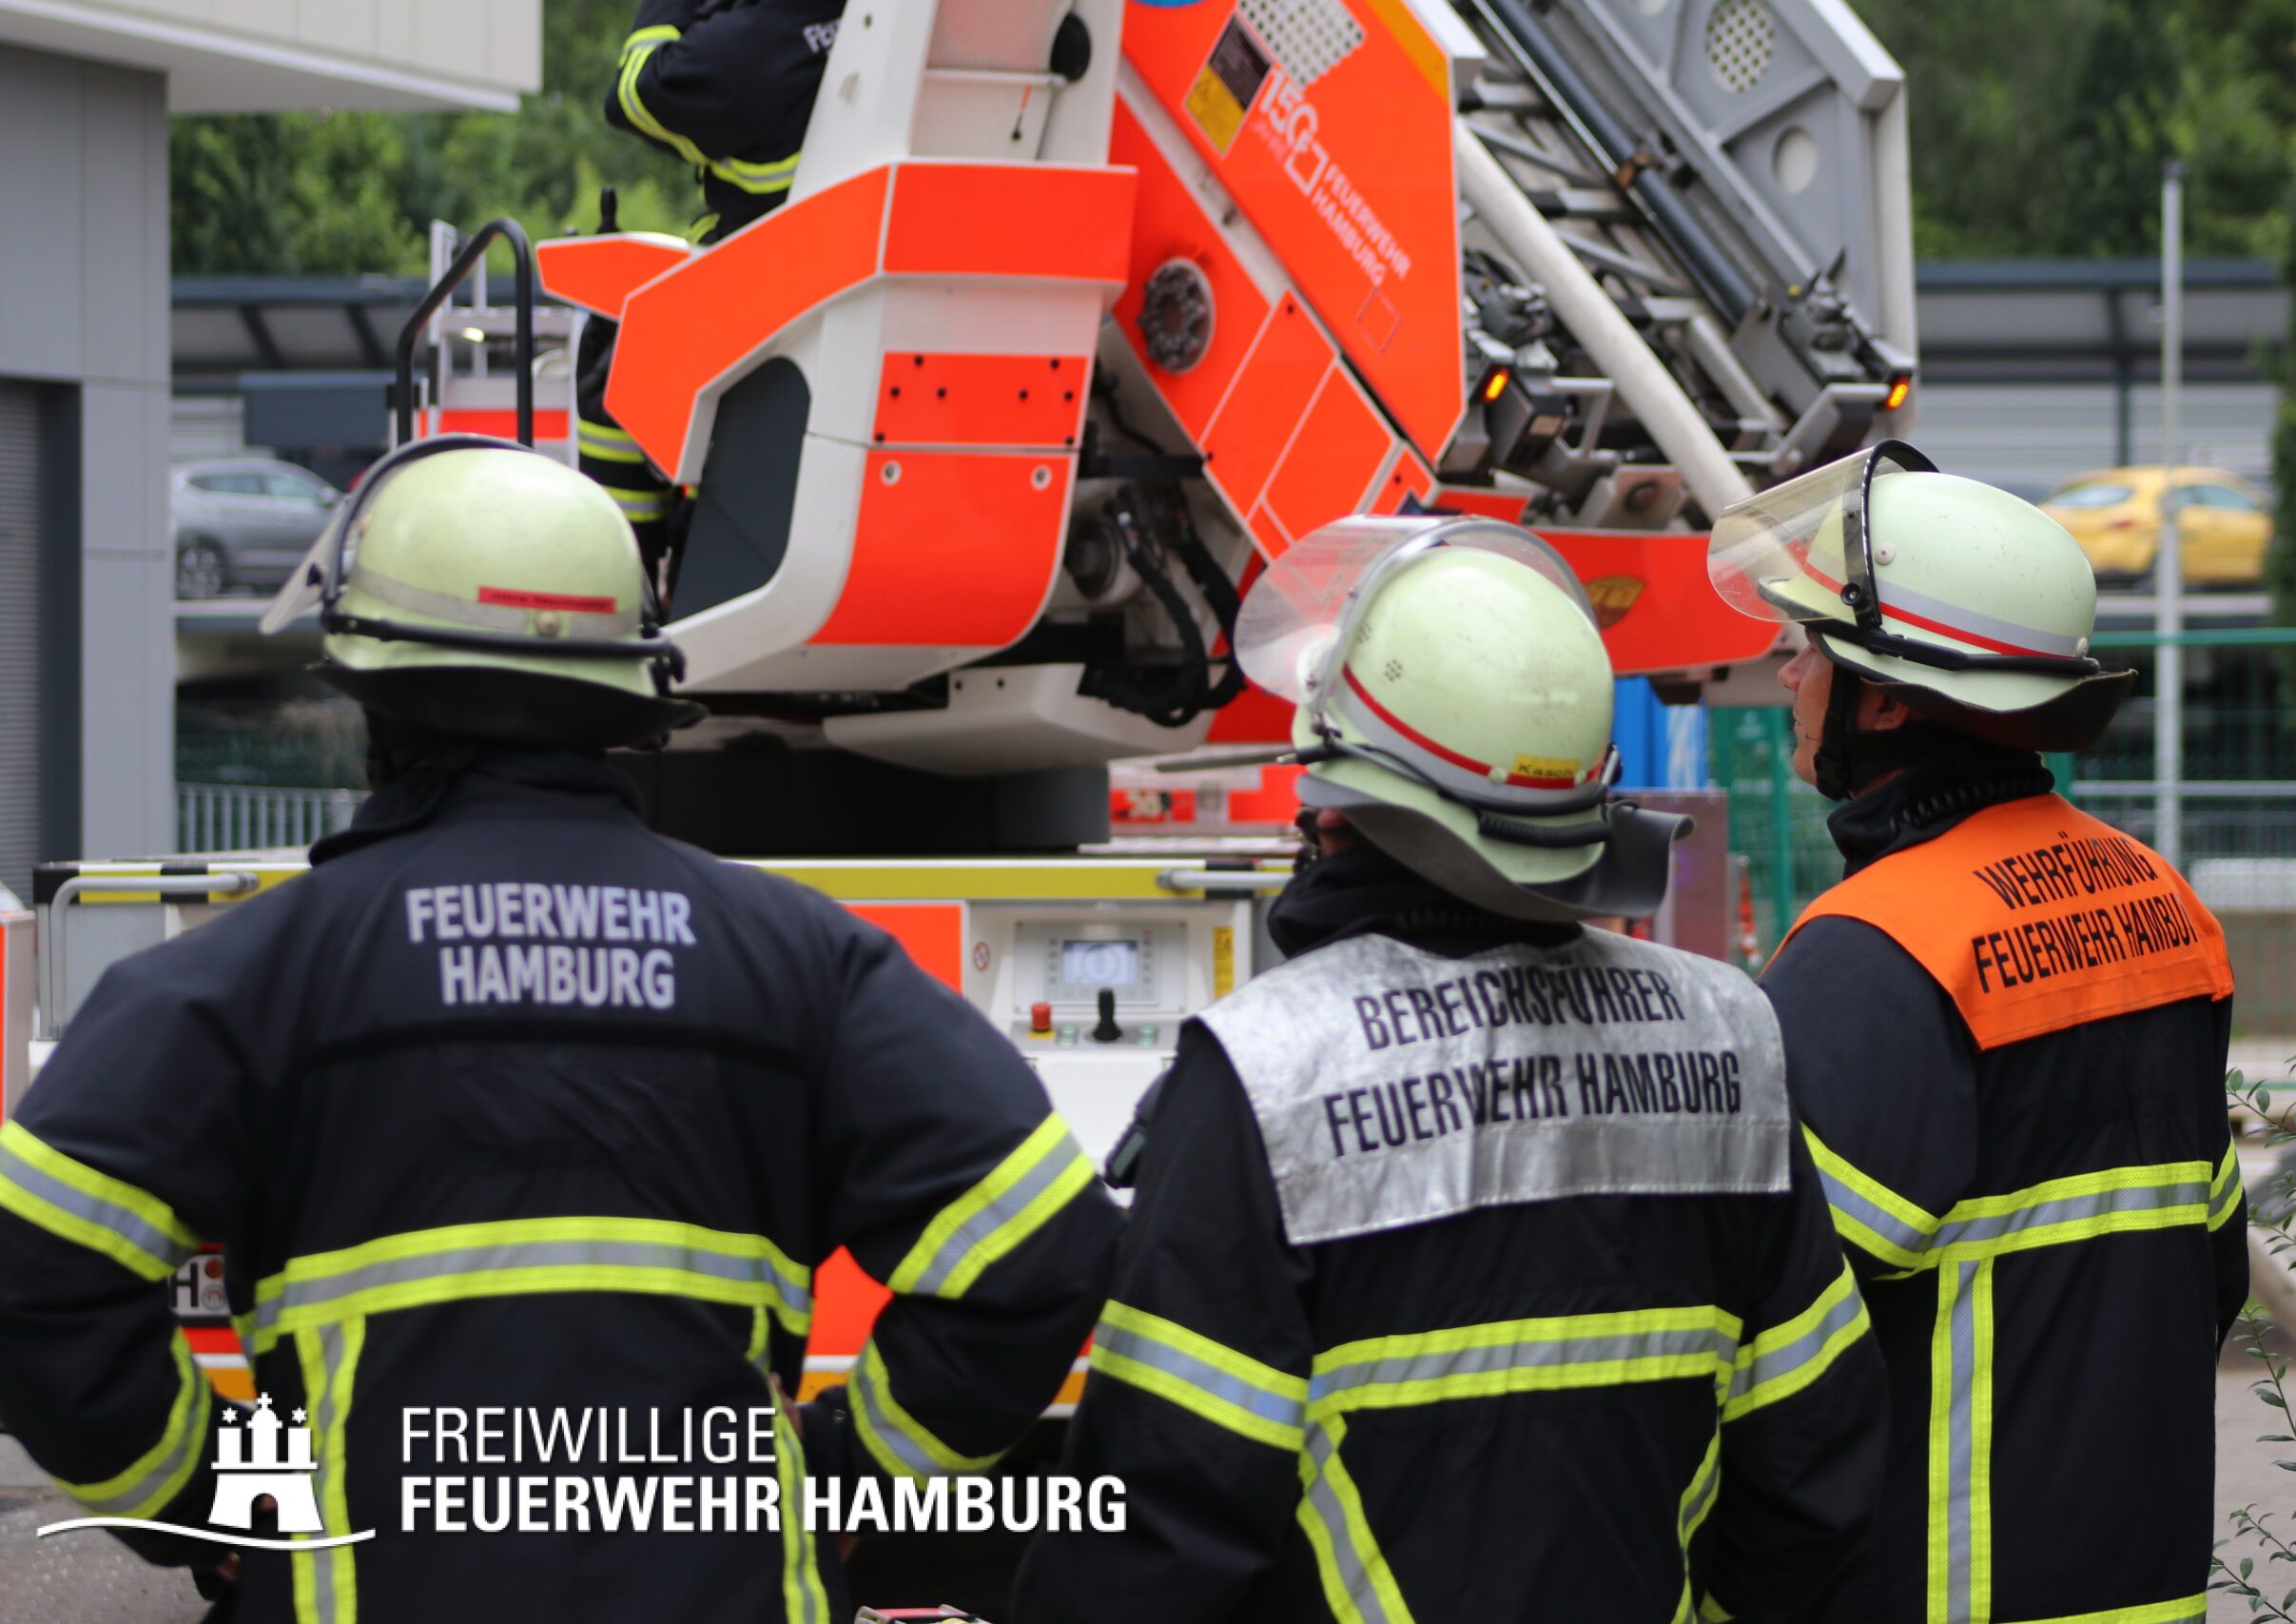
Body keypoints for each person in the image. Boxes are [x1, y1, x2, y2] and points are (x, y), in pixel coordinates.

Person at [0, 438, 1119, 1622]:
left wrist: (216, 1500)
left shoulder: (248, 978)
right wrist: (845, 1474)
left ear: (377, 701)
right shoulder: (804, 961)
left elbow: (35, 1267)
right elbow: (1042, 1243)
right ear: (626, 697)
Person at [1013, 516, 1888, 1624]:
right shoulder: (1729, 1034)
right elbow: (1810, 1464)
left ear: (1336, 802)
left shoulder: (1268, 1072)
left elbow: (1156, 1525)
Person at [1707, 442, 2244, 1624]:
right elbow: (2208, 1275)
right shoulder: (2162, 904)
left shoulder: (1873, 954)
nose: (1786, 669)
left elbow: (1771, 1355)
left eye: (1809, 644)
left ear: (1883, 699)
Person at [581, 0, 845, 571]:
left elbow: (634, 92)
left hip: (768, 314)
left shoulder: (765, 38)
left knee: (614, 347)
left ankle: (624, 577)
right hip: (875, 309)